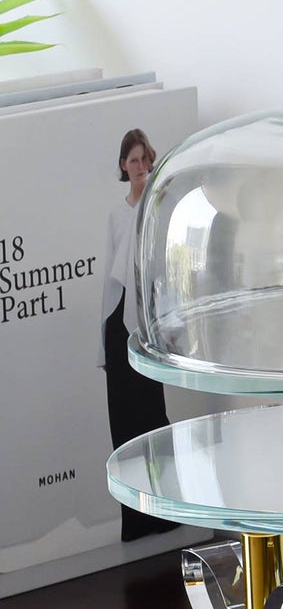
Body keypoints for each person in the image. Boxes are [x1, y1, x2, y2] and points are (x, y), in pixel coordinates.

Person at [101, 129, 169, 539]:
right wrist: (102, 344)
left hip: (144, 322)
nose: (140, 167)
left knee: (152, 420)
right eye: (133, 160)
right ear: (123, 166)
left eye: (145, 159)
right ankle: (135, 522)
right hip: (118, 323)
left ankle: (163, 513)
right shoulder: (116, 214)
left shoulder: (156, 207)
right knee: (124, 423)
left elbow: (161, 268)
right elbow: (110, 281)